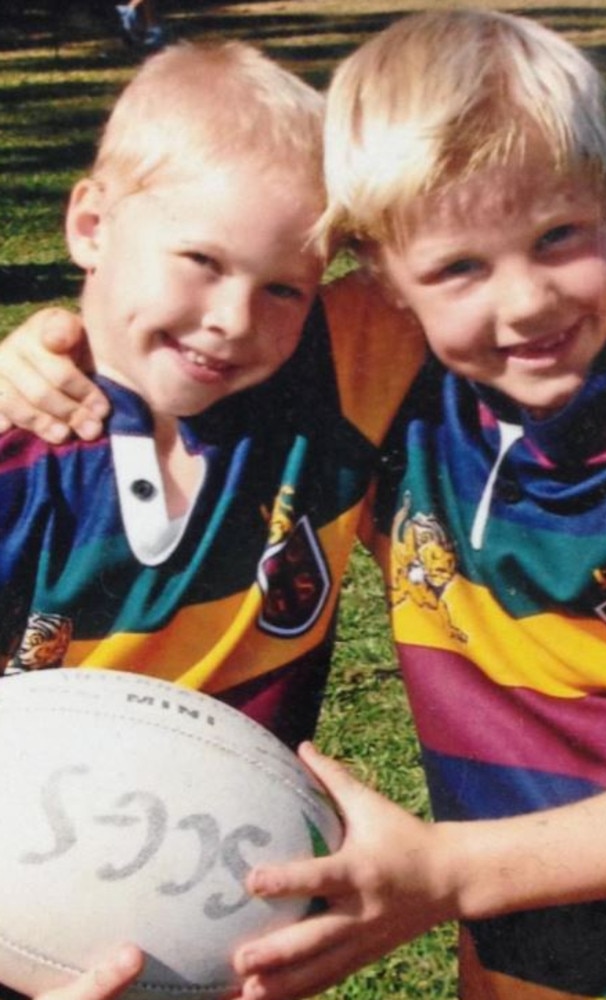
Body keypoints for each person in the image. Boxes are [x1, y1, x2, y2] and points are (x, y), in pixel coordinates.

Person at [5, 10, 606, 1000]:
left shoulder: (385, 359)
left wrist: (450, 870)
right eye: (457, 268)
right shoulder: (356, 359)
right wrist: (40, 345)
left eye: (558, 234)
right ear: (383, 280)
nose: (519, 300)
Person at [0, 33, 426, 1000]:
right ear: (91, 224)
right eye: (199, 259)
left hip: (233, 945)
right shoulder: (15, 454)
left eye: (285, 286)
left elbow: (536, 222)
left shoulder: (332, 382)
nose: (236, 317)